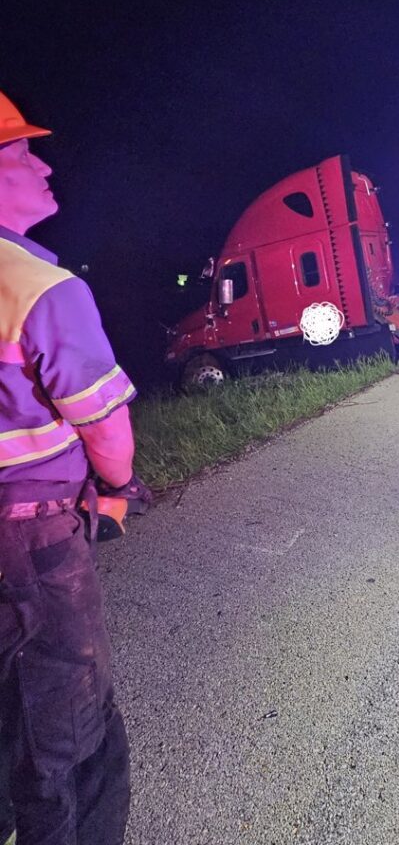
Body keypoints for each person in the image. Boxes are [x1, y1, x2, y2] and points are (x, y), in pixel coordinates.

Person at [0, 90, 146, 844]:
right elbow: (105, 425)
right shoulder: (42, 290)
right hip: (34, 541)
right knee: (73, 734)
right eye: (22, 152)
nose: (44, 163)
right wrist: (118, 489)